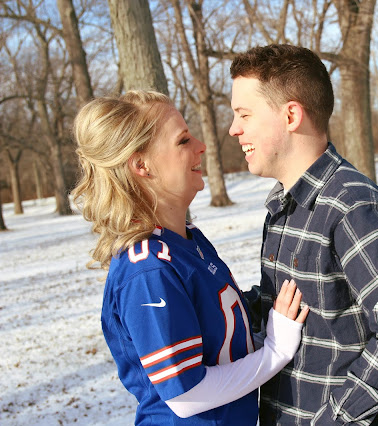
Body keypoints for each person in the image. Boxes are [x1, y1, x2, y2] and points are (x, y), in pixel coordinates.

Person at [228, 44, 378, 425]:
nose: (234, 129)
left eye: (244, 114)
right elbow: (281, 314)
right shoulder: (284, 207)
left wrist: (330, 420)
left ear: (291, 114)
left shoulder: (352, 207)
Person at [71, 90, 309, 425]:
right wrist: (275, 351)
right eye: (183, 140)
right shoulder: (148, 269)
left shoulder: (188, 240)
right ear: (141, 165)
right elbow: (186, 394)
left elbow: (221, 344)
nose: (201, 146)